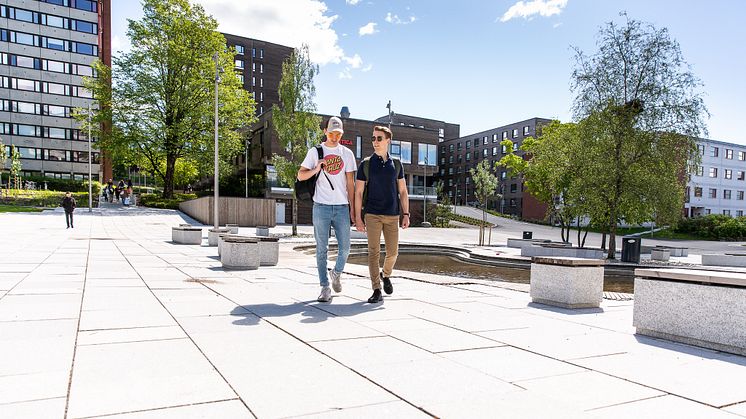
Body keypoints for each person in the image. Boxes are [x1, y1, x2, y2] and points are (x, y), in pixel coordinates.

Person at [297, 116, 356, 303]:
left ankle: (336, 273)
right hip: (321, 206)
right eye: (331, 133)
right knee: (321, 249)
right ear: (325, 132)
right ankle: (324, 287)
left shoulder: (347, 154)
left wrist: (353, 209)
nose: (334, 136)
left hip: (341, 207)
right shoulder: (316, 152)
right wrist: (317, 168)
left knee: (345, 248)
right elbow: (300, 175)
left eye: (338, 133)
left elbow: (350, 184)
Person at [355, 126, 410, 303]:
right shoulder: (366, 164)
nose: (375, 142)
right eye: (373, 138)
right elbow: (358, 193)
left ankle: (386, 275)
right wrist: (357, 217)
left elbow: (403, 191)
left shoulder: (397, 164)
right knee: (373, 253)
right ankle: (376, 289)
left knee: (393, 253)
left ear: (388, 141)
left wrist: (406, 213)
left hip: (392, 215)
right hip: (372, 214)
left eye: (379, 138)